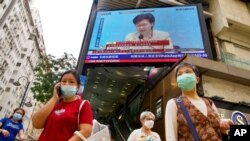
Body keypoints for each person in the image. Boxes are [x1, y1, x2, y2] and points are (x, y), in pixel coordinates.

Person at [165, 62, 233, 141]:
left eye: (187, 72)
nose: (183, 75)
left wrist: (224, 127)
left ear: (197, 79)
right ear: (178, 82)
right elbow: (170, 138)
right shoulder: (174, 104)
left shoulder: (209, 103)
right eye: (179, 74)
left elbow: (219, 133)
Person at [32, 70, 93, 141]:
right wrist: (54, 98)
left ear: (78, 86)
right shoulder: (54, 103)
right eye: (63, 81)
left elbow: (86, 131)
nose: (67, 84)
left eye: (71, 82)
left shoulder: (83, 105)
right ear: (59, 85)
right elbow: (36, 124)